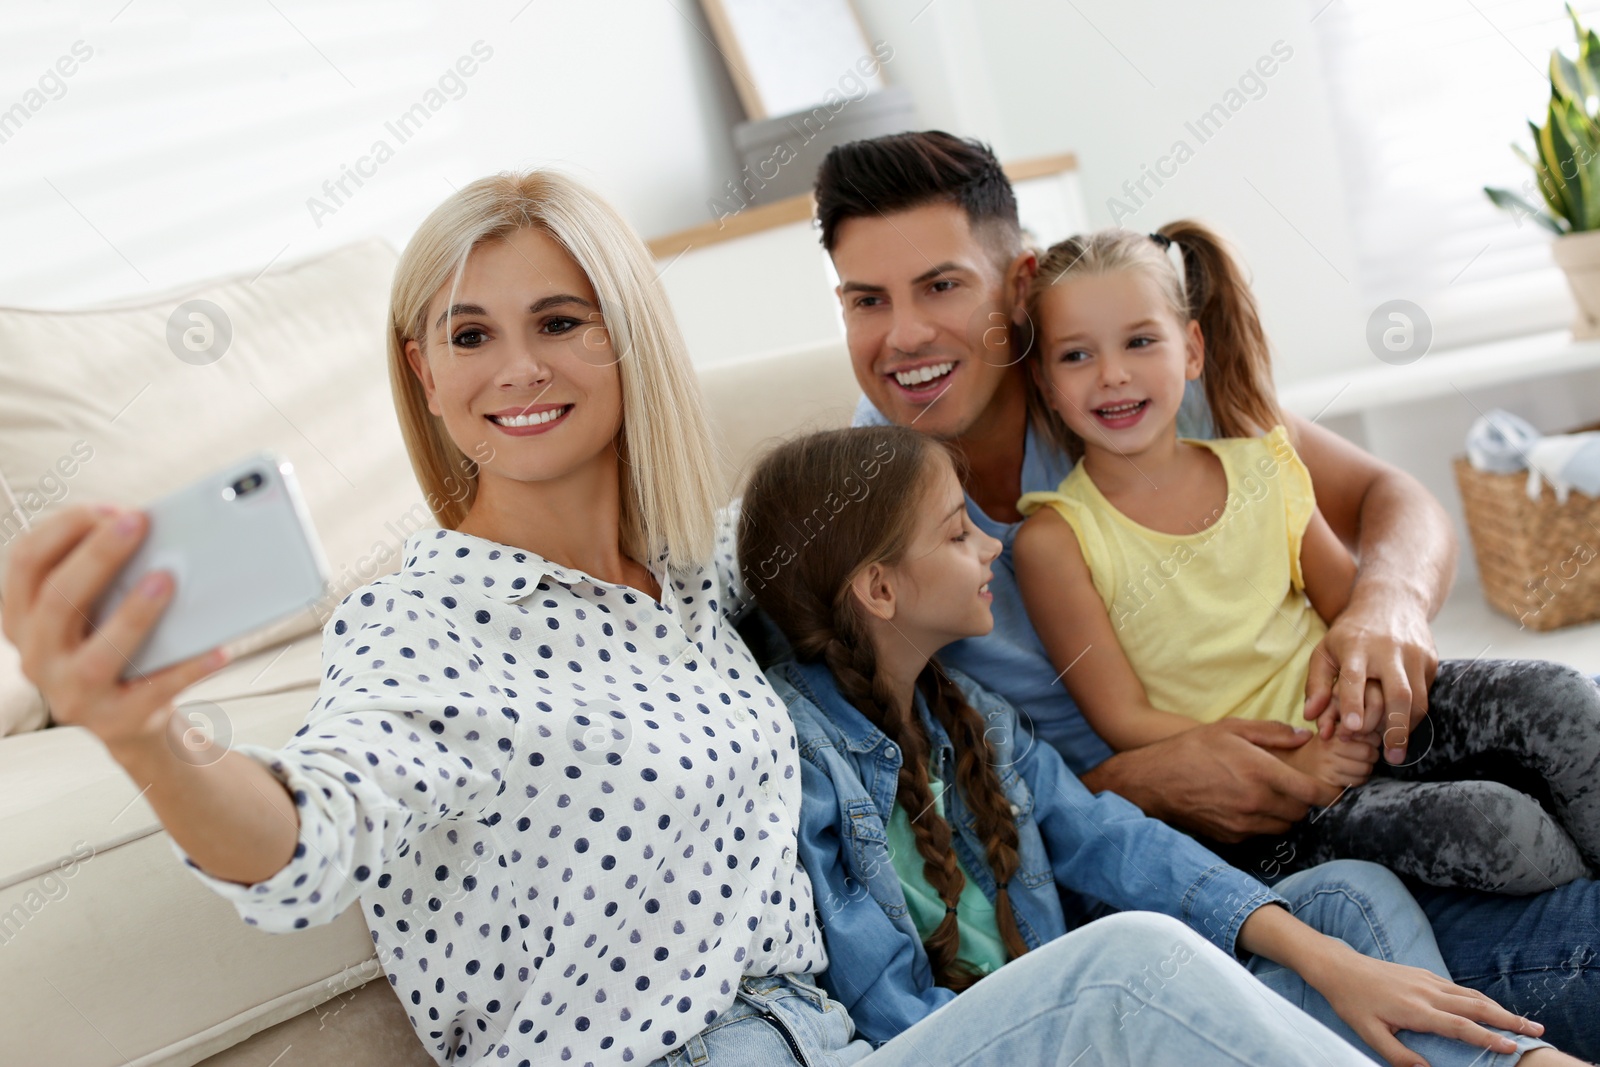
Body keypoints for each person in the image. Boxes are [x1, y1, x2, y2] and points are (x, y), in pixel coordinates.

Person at [0, 170, 1425, 1067]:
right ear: (422, 372)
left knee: (1332, 914)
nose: (517, 368)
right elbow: (306, 833)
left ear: (628, 341)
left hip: (845, 1036)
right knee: (1128, 972)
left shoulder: (697, 587)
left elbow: (917, 635)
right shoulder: (418, 623)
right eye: (468, 332)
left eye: (561, 320)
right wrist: (152, 738)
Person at [811, 129, 1600, 1055]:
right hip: (1199, 862)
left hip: (1340, 735)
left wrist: (1384, 603)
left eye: (942, 285)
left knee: (1560, 726)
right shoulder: (858, 520)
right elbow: (931, 803)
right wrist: (1136, 780)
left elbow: (1394, 500)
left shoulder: (1124, 385)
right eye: (867, 300)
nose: (904, 336)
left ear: (1019, 285)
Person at [737, 423, 1570, 1067]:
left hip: (1094, 1015)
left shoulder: (970, 715)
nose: (992, 545)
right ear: (879, 588)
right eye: (959, 533)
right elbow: (891, 1009)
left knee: (1348, 900)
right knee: (1141, 957)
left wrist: (1326, 960)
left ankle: (1522, 1058)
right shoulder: (804, 760)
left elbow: (1118, 842)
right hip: (1030, 1036)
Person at [1007, 222, 1600, 896]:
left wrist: (1360, 702)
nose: (1113, 373)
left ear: (1192, 349)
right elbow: (1125, 720)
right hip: (1275, 803)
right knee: (1498, 827)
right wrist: (1296, 757)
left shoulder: (1267, 465)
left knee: (1562, 700)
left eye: (1141, 341)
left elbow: (1351, 608)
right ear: (1046, 382)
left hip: (1363, 721)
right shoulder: (1055, 540)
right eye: (1076, 355)